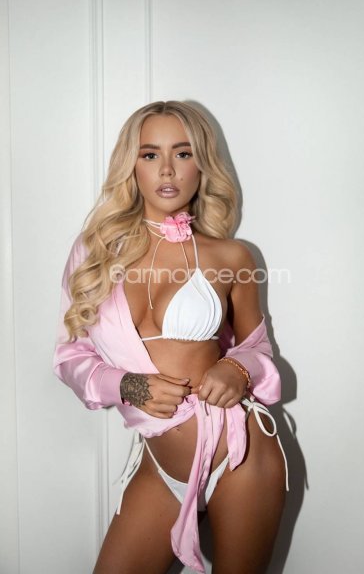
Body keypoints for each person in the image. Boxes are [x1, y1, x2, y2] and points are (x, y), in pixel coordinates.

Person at [53, 100, 289, 574]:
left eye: (183, 153)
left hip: (240, 454)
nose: (167, 169)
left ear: (202, 164)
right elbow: (70, 355)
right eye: (149, 154)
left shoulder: (231, 256)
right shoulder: (95, 252)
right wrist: (126, 385)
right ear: (131, 165)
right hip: (159, 465)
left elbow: (258, 348)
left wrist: (238, 367)